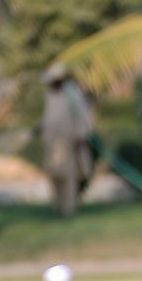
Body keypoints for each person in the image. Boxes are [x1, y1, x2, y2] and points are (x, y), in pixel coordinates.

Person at [41, 63, 93, 217]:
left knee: (68, 176)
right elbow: (48, 117)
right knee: (54, 175)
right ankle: (57, 206)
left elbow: (82, 116)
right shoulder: (50, 95)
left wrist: (80, 137)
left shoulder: (72, 94)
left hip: (68, 141)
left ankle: (68, 209)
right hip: (51, 143)